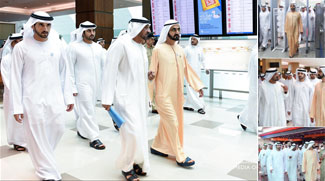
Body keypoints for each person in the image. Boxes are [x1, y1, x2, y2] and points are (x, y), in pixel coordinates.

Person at [10, 11, 74, 180]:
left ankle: (42, 159)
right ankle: (47, 173)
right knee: (37, 135)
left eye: (48, 25)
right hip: (32, 100)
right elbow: (15, 79)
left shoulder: (57, 46)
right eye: (41, 25)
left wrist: (68, 97)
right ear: (33, 26)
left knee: (59, 128)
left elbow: (65, 73)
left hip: (55, 98)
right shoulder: (21, 48)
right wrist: (17, 107)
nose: (45, 28)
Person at [148, 19, 204, 167]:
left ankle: (157, 146)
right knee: (173, 123)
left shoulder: (180, 50)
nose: (177, 33)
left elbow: (187, 70)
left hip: (177, 96)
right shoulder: (158, 50)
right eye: (174, 30)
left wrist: (197, 86)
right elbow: (152, 72)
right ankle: (179, 155)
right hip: (163, 95)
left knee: (166, 123)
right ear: (166, 32)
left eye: (178, 30)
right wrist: (148, 92)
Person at [101, 17, 151, 180]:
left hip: (140, 99)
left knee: (141, 132)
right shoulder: (121, 44)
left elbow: (141, 77)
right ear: (136, 28)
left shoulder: (141, 48)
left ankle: (138, 160)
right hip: (125, 98)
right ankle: (126, 166)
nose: (148, 31)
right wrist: (107, 98)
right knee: (131, 133)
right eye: (145, 28)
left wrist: (148, 97)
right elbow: (109, 72)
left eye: (148, 28)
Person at [67, 21, 106, 150]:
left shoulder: (98, 48)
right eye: (89, 31)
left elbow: (104, 66)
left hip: (96, 84)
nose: (92, 33)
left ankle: (82, 130)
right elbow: (69, 69)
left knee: (90, 109)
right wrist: (72, 87)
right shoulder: (74, 47)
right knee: (87, 109)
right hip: (82, 84)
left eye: (93, 31)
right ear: (82, 32)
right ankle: (94, 137)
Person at [1, 33, 25, 151]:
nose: (19, 44)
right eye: (17, 41)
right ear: (12, 44)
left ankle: (26, 140)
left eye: (21, 41)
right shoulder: (6, 59)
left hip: (25, 93)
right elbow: (6, 79)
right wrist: (16, 92)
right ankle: (17, 141)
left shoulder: (25, 57)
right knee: (13, 118)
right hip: (11, 94)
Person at [183, 35, 209, 115]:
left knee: (196, 90)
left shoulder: (200, 49)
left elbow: (203, 60)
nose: (192, 41)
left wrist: (206, 68)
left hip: (197, 74)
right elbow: (182, 60)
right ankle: (199, 107)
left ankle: (187, 105)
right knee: (191, 90)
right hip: (188, 73)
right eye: (192, 39)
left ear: (198, 40)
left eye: (194, 39)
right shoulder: (187, 49)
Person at [237, 43, 257, 132]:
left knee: (253, 102)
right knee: (254, 103)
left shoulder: (255, 52)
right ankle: (245, 119)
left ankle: (242, 117)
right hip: (255, 84)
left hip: (256, 83)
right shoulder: (255, 53)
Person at [145, 32, 158, 114]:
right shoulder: (143, 49)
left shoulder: (155, 49)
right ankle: (145, 107)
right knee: (145, 91)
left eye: (153, 39)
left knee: (154, 91)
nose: (153, 41)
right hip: (145, 73)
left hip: (153, 74)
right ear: (147, 40)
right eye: (151, 39)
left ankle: (154, 107)